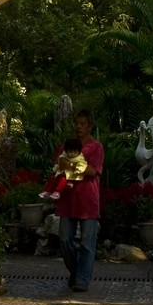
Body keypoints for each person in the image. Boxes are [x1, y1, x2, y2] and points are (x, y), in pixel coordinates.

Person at [48, 110, 104, 293]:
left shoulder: (96, 147)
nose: (78, 126)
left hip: (88, 200)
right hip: (67, 200)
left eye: (82, 123)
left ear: (89, 126)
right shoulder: (66, 145)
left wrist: (69, 166)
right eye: (76, 123)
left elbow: (92, 171)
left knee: (87, 243)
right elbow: (57, 166)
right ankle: (77, 271)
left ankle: (82, 279)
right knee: (64, 240)